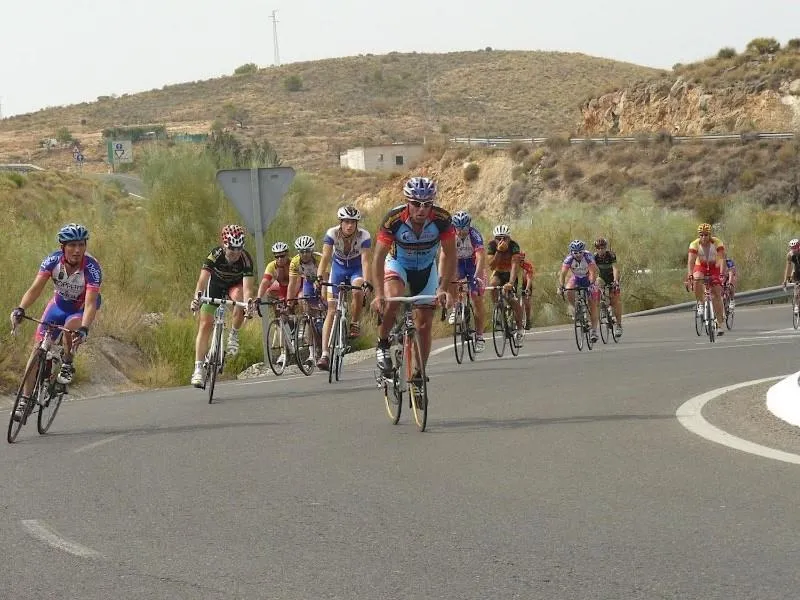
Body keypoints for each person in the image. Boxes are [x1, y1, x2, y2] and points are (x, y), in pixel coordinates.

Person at [9, 223, 102, 420]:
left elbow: (91, 303)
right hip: (58, 306)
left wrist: (84, 328)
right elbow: (35, 288)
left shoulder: (92, 268)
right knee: (37, 350)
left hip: (80, 309)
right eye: (72, 245)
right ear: (63, 247)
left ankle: (68, 362)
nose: (77, 250)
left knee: (71, 328)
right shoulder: (52, 261)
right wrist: (21, 309)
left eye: (81, 245)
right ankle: (25, 399)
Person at [371, 176, 455, 384]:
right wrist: (379, 294)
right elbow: (378, 258)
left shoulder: (442, 219)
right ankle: (382, 344)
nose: (422, 209)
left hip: (426, 268)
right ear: (408, 202)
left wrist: (444, 288)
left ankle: (418, 373)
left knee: (425, 323)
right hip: (398, 263)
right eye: (416, 204)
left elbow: (450, 255)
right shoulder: (394, 219)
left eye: (427, 204)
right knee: (393, 298)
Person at [189, 224, 255, 387]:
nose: (236, 252)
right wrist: (197, 297)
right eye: (232, 248)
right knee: (205, 324)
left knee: (240, 298)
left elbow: (247, 288)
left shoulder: (246, 259)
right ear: (224, 245)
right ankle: (198, 370)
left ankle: (234, 334)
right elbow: (202, 280)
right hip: (215, 286)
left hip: (234, 287)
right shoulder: (215, 254)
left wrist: (248, 304)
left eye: (239, 248)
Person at [316, 206, 373, 371]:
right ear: (340, 222)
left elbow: (366, 261)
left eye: (353, 222)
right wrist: (320, 277)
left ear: (357, 224)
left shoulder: (364, 236)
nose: (350, 225)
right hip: (338, 269)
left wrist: (367, 281)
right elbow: (326, 257)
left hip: (356, 269)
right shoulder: (332, 233)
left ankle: (354, 322)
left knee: (357, 289)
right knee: (331, 310)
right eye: (346, 222)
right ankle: (325, 354)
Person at [443, 210, 487, 352]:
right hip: (458, 262)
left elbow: (480, 257)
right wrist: (441, 275)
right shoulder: (449, 235)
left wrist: (477, 276)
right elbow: (444, 257)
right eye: (459, 228)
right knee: (450, 277)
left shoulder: (474, 235)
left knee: (476, 299)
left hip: (473, 263)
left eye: (465, 228)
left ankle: (479, 336)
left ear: (469, 226)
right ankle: (456, 307)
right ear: (454, 227)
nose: (462, 231)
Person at [486, 224, 524, 346]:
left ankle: (519, 329)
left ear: (509, 238)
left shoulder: (514, 246)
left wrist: (511, 283)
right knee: (493, 285)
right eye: (498, 238)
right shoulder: (492, 245)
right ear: (494, 238)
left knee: (512, 300)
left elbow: (515, 266)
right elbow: (491, 266)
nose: (501, 241)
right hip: (498, 273)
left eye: (504, 238)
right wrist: (498, 251)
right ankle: (498, 310)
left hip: (510, 274)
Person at [686, 222, 726, 336]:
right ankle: (700, 303)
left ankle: (719, 324)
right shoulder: (694, 244)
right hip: (701, 266)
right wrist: (690, 275)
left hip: (715, 267)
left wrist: (722, 274)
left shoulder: (717, 243)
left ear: (710, 235)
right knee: (697, 277)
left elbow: (722, 259)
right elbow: (691, 262)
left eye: (706, 235)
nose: (703, 237)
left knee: (717, 294)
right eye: (701, 235)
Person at [558, 240, 600, 343]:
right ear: (571, 252)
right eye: (575, 252)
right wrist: (561, 286)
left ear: (583, 251)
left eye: (580, 252)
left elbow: (592, 272)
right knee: (568, 290)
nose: (578, 255)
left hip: (588, 278)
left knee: (592, 303)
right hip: (576, 278)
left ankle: (594, 331)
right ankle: (576, 309)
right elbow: (563, 274)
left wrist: (591, 284)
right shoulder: (569, 259)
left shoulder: (588, 256)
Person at [593, 237, 623, 338]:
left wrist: (615, 281)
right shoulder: (594, 257)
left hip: (612, 278)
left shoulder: (611, 255)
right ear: (596, 249)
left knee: (616, 301)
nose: (601, 250)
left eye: (603, 248)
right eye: (598, 248)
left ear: (606, 247)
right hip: (602, 278)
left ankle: (618, 325)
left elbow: (615, 268)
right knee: (597, 283)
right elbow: (592, 270)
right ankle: (602, 307)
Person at [517, 251, 535, 331]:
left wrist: (527, 288)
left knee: (526, 302)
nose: (520, 262)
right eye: (518, 260)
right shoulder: (512, 265)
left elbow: (529, 278)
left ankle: (528, 320)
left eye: (522, 260)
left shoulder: (527, 266)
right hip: (516, 283)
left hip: (525, 284)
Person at [782, 239, 800, 313]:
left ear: (798, 247)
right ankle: (796, 305)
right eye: (792, 248)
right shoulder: (789, 255)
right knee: (797, 290)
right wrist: (785, 280)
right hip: (797, 271)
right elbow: (787, 268)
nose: (793, 250)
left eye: (795, 247)